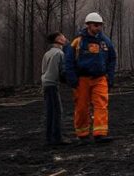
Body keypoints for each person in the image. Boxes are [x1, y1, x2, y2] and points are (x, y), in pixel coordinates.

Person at [65, 12, 117, 143]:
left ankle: (100, 133)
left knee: (101, 105)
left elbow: (112, 59)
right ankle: (82, 134)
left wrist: (110, 77)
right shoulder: (78, 42)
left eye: (100, 25)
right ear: (88, 25)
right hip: (82, 79)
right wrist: (72, 78)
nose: (98, 27)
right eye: (96, 25)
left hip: (100, 78)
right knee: (82, 107)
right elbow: (69, 61)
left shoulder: (105, 41)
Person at [41, 31, 70, 145]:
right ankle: (57, 138)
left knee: (50, 111)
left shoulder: (47, 54)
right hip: (52, 84)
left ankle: (49, 138)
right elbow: (62, 72)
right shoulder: (59, 53)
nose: (65, 38)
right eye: (63, 36)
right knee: (57, 111)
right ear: (58, 39)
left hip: (46, 84)